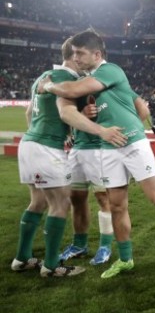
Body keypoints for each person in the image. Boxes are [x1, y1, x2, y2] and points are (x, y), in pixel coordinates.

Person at [38, 29, 155, 279]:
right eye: (73, 54)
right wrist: (87, 117)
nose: (76, 58)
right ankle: (125, 259)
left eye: (80, 53)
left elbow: (77, 92)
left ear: (97, 54)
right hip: (106, 149)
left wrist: (48, 85)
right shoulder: (85, 81)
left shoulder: (110, 70)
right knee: (117, 206)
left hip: (132, 145)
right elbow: (75, 104)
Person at [12, 38, 121, 277]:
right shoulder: (68, 80)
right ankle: (51, 266)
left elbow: (29, 112)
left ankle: (21, 258)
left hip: (29, 143)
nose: (82, 60)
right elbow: (66, 113)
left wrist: (43, 133)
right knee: (60, 204)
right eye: (79, 54)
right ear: (73, 56)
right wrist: (89, 124)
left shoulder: (44, 76)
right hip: (47, 148)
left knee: (38, 202)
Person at [60, 91, 150, 266]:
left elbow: (143, 110)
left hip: (100, 150)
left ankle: (105, 247)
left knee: (104, 198)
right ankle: (79, 245)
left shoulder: (111, 82)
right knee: (76, 198)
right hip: (78, 148)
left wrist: (127, 133)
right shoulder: (77, 86)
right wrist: (74, 127)